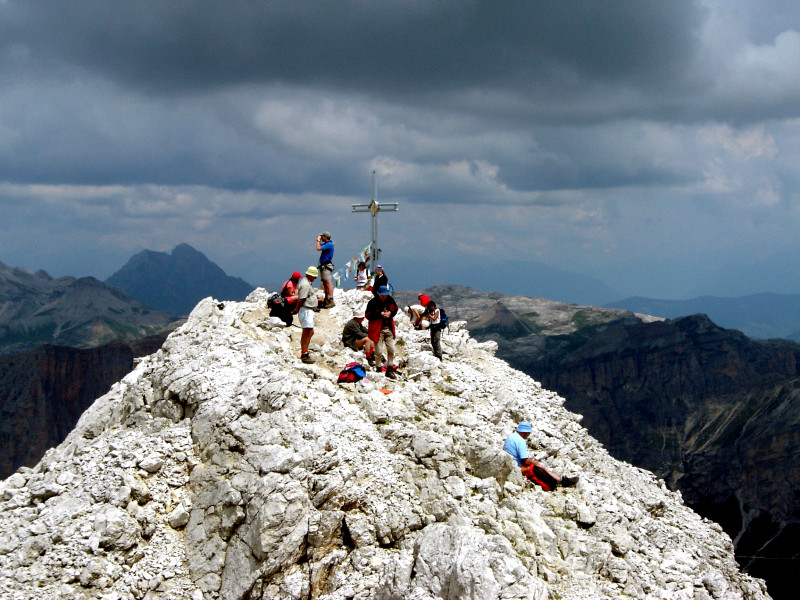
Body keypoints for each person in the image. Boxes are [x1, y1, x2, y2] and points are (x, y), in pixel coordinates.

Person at [503, 422, 578, 490]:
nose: (529, 435)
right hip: (517, 466)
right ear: (525, 432)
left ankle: (560, 480)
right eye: (528, 433)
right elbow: (525, 460)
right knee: (540, 468)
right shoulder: (521, 441)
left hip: (508, 462)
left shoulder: (512, 436)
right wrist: (535, 463)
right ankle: (559, 482)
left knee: (539, 466)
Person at [366, 285, 399, 377]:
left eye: (386, 295)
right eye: (383, 295)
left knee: (391, 348)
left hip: (389, 327)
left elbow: (395, 309)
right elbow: (368, 315)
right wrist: (379, 314)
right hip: (378, 329)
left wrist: (390, 313)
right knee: (379, 350)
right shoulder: (372, 303)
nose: (384, 297)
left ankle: (390, 367)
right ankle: (378, 366)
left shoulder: (390, 300)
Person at [295, 266, 319, 363]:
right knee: (307, 332)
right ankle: (304, 353)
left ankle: (305, 351)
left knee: (310, 331)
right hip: (306, 310)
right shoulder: (305, 285)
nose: (315, 278)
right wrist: (296, 309)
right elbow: (301, 299)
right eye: (314, 276)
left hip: (308, 310)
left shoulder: (306, 283)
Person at [316, 232, 335, 308]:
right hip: (323, 265)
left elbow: (318, 248)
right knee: (325, 283)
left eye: (322, 236)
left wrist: (318, 240)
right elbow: (320, 247)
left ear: (325, 237)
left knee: (328, 282)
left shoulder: (329, 244)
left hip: (326, 265)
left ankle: (331, 298)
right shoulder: (327, 244)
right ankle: (327, 298)